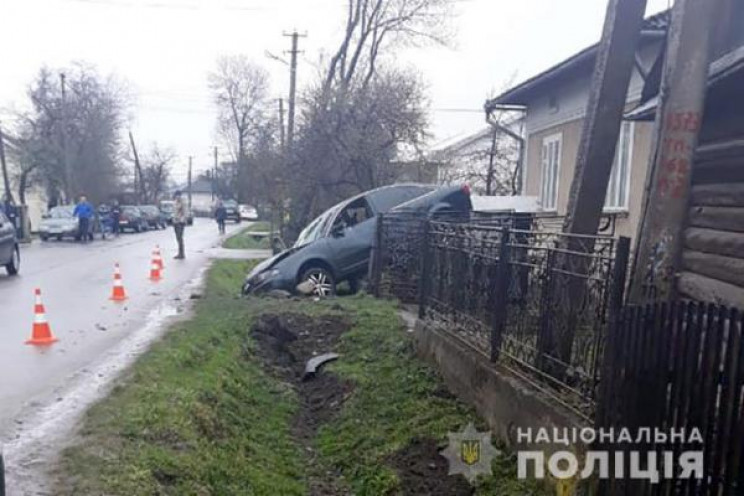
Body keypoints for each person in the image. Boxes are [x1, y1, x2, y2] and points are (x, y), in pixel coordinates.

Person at [172, 190, 187, 259]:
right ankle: (180, 253)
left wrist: (182, 220)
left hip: (180, 222)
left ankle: (182, 253)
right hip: (175, 222)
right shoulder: (175, 202)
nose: (177, 197)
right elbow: (174, 212)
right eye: (176, 195)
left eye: (178, 195)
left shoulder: (183, 202)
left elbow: (184, 212)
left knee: (180, 237)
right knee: (178, 238)